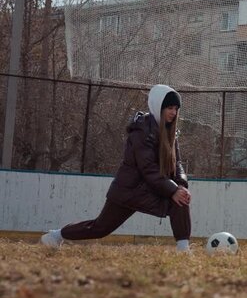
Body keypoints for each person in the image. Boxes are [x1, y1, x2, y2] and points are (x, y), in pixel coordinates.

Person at [41, 84, 193, 252]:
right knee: (100, 228)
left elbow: (177, 163)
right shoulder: (141, 131)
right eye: (169, 108)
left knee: (181, 199)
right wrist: (172, 190)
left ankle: (183, 249)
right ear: (158, 106)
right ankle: (55, 236)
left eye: (176, 109)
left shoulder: (170, 132)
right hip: (129, 191)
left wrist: (181, 185)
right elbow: (148, 168)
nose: (173, 112)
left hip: (151, 188)